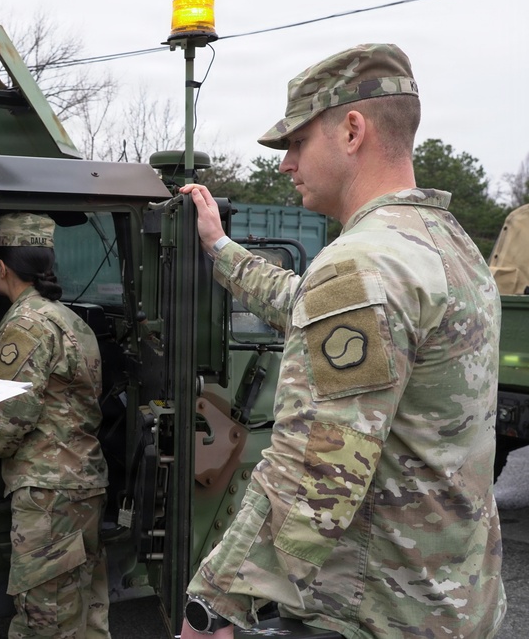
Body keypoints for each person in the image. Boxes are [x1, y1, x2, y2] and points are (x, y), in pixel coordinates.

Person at [178, 44, 506, 638]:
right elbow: (309, 303)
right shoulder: (445, 243)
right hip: (454, 603)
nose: (286, 164)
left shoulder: (363, 264)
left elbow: (317, 466)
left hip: (381, 610)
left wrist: (214, 601)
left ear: (352, 130)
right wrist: (220, 249)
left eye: (298, 142)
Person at [0, 212, 111, 639]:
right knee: (86, 610)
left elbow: (13, 417)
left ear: (0, 268)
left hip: (48, 492)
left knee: (45, 617)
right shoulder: (69, 318)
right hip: (83, 481)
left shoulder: (24, 324)